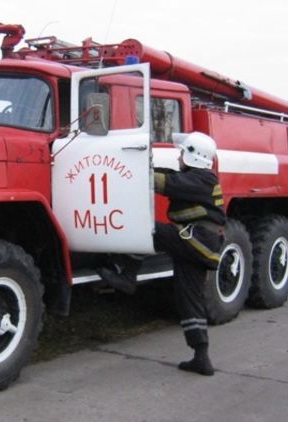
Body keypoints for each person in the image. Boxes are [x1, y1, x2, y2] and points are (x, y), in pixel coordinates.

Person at [97, 132, 226, 376]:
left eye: (182, 153)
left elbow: (166, 182)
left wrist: (132, 171)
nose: (178, 157)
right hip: (199, 244)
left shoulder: (202, 180)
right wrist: (141, 164)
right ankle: (201, 357)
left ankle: (128, 276)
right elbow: (169, 174)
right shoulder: (197, 177)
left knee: (145, 229)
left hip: (196, 240)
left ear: (194, 156)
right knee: (189, 298)